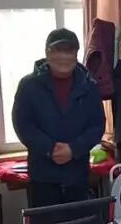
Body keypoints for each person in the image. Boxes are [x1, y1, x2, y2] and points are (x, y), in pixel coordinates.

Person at [12, 27, 106, 208]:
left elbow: (97, 125)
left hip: (77, 176)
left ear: (76, 55)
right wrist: (49, 148)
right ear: (47, 53)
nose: (63, 57)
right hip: (43, 178)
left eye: (69, 51)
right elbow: (22, 124)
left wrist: (74, 149)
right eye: (58, 50)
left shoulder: (89, 86)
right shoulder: (28, 86)